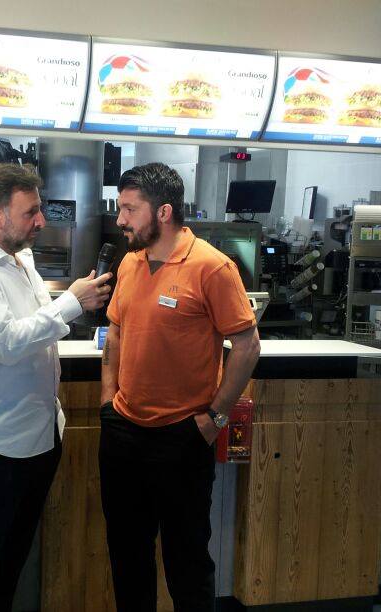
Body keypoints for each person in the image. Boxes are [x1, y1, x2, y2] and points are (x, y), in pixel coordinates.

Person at [0, 163, 112, 612]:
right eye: (30, 211)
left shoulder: (22, 261)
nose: (41, 220)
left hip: (39, 437)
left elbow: (34, 332)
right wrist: (72, 302)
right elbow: (7, 342)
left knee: (9, 567)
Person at [99, 163, 261, 612]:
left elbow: (247, 345)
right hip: (123, 432)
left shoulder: (212, 266)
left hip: (182, 436)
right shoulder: (130, 262)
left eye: (129, 209)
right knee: (127, 557)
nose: (120, 219)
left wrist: (214, 419)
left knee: (186, 562)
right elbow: (115, 332)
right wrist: (107, 401)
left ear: (164, 211)